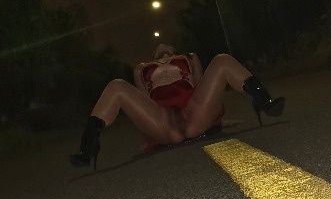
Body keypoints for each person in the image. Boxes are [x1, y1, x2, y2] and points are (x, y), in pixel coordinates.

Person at [69, 43, 285, 171]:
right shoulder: (142, 68)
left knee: (221, 60)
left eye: (168, 47)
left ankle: (263, 100)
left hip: (194, 112)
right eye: (158, 48)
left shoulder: (188, 58)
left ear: (174, 50)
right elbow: (143, 100)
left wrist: (212, 112)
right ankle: (88, 145)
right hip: (164, 120)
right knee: (117, 85)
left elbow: (201, 85)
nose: (163, 47)